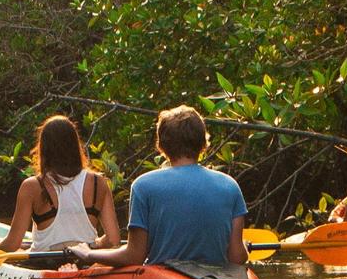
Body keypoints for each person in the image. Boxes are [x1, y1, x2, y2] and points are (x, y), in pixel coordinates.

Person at [67, 105, 248, 268]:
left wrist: (89, 254)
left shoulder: (143, 186)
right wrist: (244, 248)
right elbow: (237, 257)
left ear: (161, 145)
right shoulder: (230, 186)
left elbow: (134, 256)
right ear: (203, 143)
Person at [0, 115, 121, 254]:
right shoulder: (99, 183)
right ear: (75, 145)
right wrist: (94, 244)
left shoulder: (32, 186)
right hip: (84, 261)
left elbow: (12, 244)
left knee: (2, 245)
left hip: (42, 263)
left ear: (44, 149)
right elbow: (113, 239)